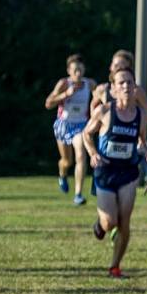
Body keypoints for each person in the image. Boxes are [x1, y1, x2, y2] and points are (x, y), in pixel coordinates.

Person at [82, 68, 147, 278]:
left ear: (135, 87)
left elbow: (141, 139)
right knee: (109, 222)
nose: (126, 87)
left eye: (130, 82)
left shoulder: (141, 114)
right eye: (121, 83)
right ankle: (100, 226)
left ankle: (115, 266)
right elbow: (86, 133)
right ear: (113, 88)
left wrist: (143, 148)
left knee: (124, 220)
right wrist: (93, 153)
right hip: (105, 171)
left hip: (128, 172)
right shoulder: (104, 111)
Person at [45, 54, 95, 205]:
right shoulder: (64, 84)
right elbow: (48, 103)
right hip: (64, 124)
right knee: (67, 161)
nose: (78, 73)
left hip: (81, 125)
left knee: (81, 156)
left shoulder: (90, 84)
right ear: (69, 71)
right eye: (75, 70)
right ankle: (62, 174)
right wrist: (65, 95)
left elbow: (100, 99)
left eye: (80, 69)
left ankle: (78, 194)